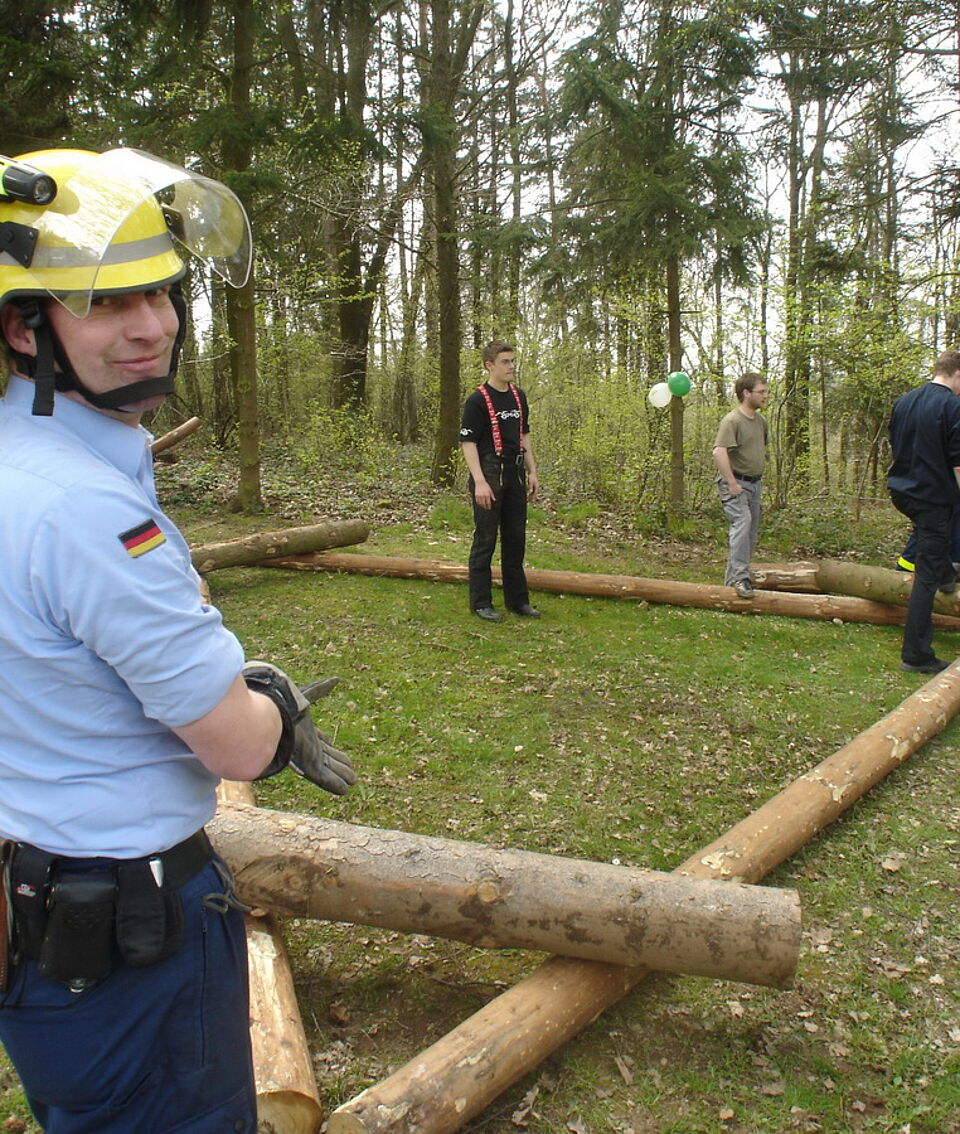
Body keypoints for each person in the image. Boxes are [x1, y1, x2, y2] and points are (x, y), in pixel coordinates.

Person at [0, 147, 356, 1133]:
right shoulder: (88, 511)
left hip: (43, 929)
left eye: (159, 291)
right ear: (23, 328)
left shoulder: (22, 464)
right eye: (106, 303)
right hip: (131, 944)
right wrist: (273, 704)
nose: (152, 324)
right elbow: (234, 745)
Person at [887, 349, 960, 673]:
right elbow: (958, 463)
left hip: (903, 492)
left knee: (933, 541)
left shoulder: (905, 402)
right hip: (932, 498)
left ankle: (948, 576)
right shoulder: (953, 406)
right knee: (925, 578)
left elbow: (897, 444)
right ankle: (916, 655)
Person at [460, 340, 540, 621]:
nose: (511, 366)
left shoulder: (519, 397)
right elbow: (468, 443)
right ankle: (481, 602)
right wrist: (480, 482)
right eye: (505, 362)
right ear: (489, 365)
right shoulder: (477, 400)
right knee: (485, 540)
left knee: (515, 539)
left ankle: (518, 601)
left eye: (513, 361)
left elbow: (524, 435)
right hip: (489, 473)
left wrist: (532, 471)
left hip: (515, 473)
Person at [712, 372, 769, 599]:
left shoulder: (761, 422)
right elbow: (719, 452)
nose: (765, 396)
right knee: (742, 525)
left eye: (766, 392)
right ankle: (739, 578)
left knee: (749, 534)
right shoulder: (732, 421)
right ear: (746, 393)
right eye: (761, 392)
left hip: (754, 484)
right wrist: (732, 483)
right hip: (736, 484)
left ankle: (732, 583)